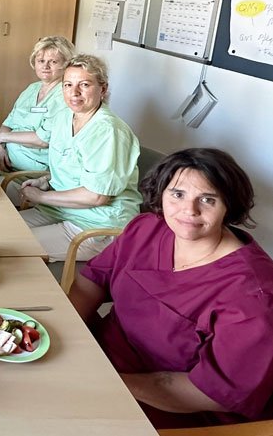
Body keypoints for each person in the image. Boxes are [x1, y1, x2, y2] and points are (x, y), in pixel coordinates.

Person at [69, 148, 273, 428]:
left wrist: (109, 383)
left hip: (172, 405)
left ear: (229, 205)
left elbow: (213, 392)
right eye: (178, 194)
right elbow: (92, 280)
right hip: (100, 357)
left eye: (208, 199)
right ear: (161, 193)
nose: (189, 210)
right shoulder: (147, 228)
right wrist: (66, 335)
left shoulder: (253, 295)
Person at [18, 54, 141, 261]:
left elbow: (97, 196)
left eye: (84, 84)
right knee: (0, 230)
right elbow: (71, 164)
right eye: (68, 85)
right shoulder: (64, 116)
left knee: (12, 249)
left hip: (96, 225)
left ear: (103, 89)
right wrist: (45, 181)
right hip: (59, 210)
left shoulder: (108, 131)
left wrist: (40, 197)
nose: (74, 93)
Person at [0, 36, 75, 174]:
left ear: (66, 64)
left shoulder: (65, 95)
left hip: (29, 170)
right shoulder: (32, 88)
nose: (45, 66)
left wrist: (0, 138)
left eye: (53, 62)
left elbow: (42, 140)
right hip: (3, 159)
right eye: (41, 61)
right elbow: (8, 124)